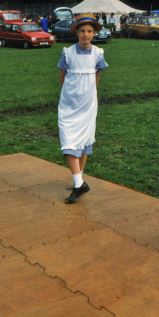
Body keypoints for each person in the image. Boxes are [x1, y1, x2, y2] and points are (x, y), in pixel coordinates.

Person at [57, 14, 108, 204]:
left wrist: (90, 95)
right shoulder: (68, 53)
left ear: (94, 33)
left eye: (89, 31)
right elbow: (63, 76)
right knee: (68, 139)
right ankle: (79, 183)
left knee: (84, 139)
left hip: (88, 104)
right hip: (69, 104)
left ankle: (79, 181)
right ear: (77, 33)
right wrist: (68, 95)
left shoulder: (98, 54)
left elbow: (96, 76)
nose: (85, 35)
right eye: (82, 31)